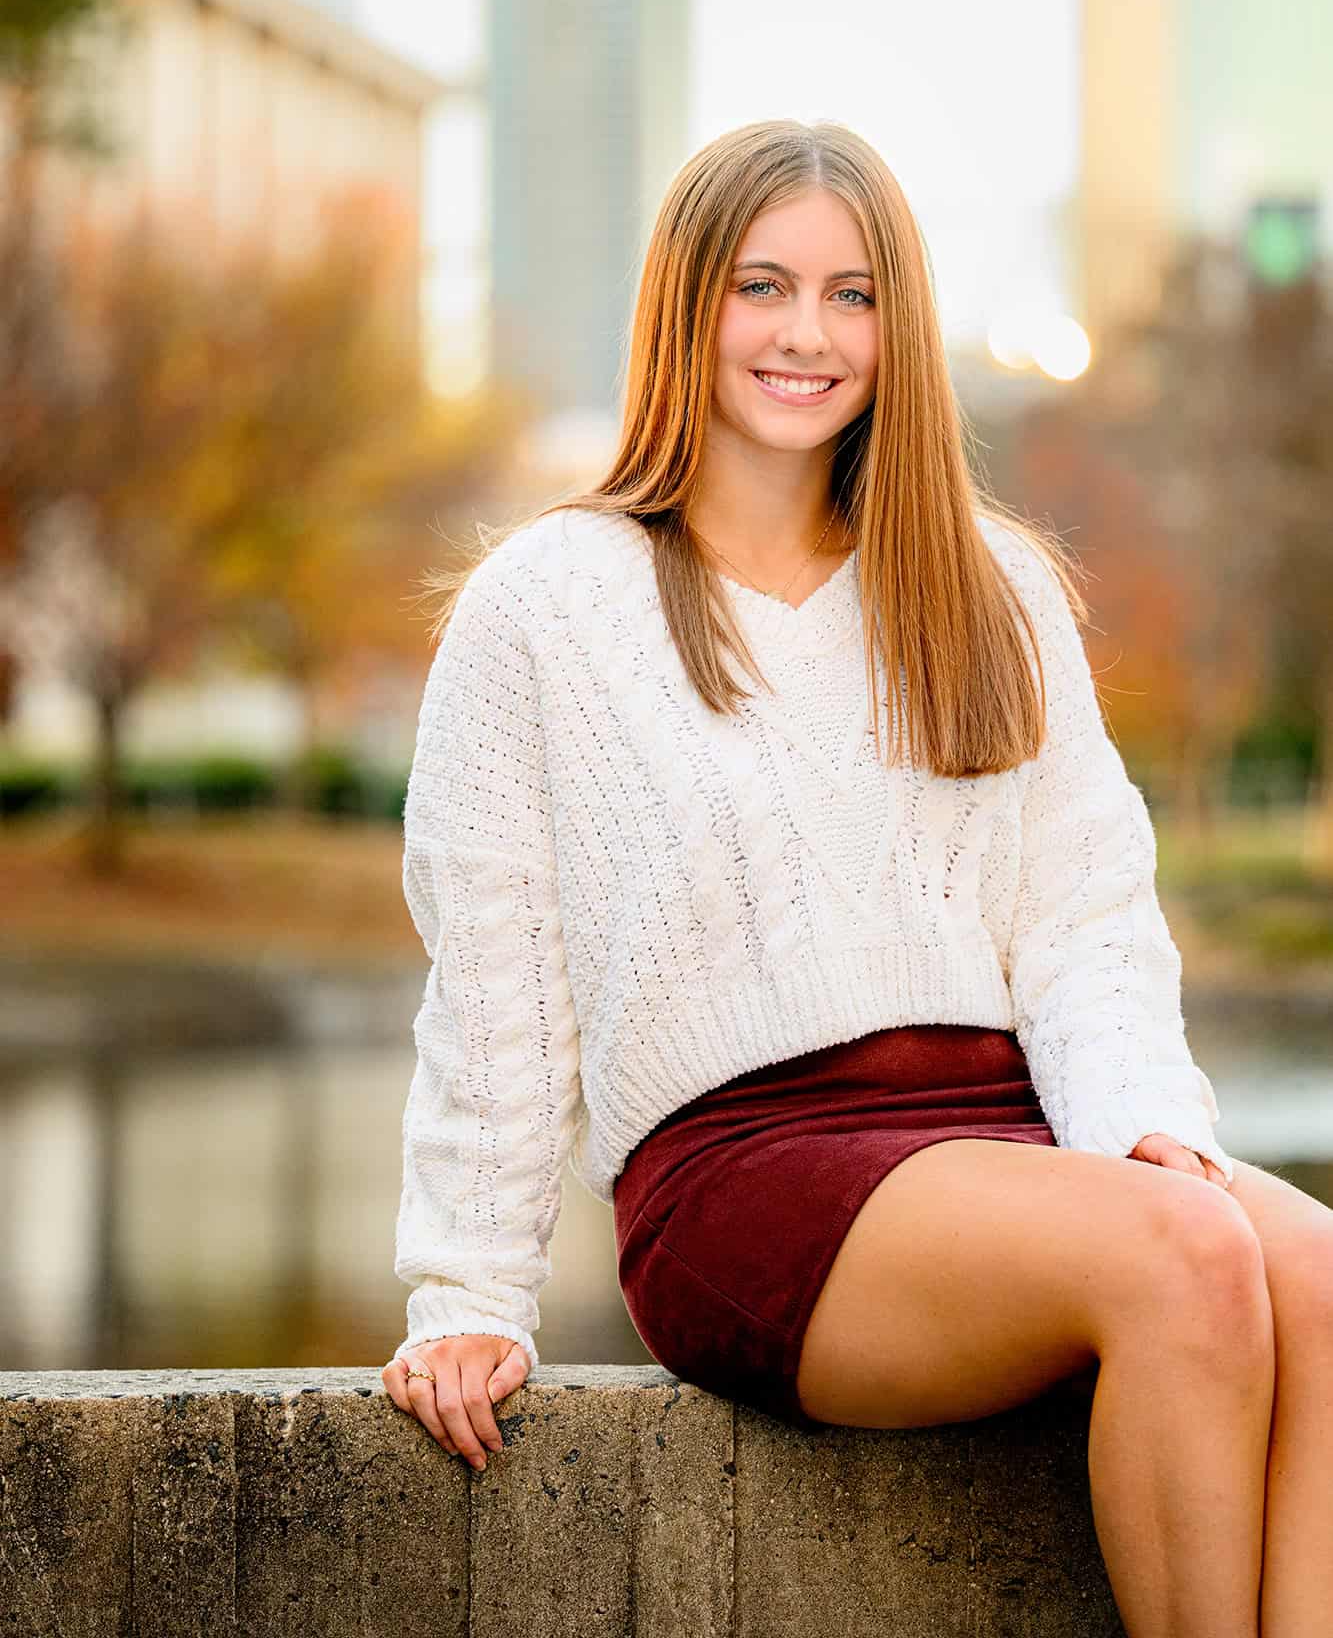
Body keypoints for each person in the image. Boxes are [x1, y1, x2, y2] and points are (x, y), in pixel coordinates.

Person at [382, 118, 1333, 1636]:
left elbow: (1085, 919)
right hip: (745, 1171)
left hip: (1002, 1135)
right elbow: (495, 972)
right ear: (687, 308)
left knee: (1315, 1280)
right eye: (763, 287)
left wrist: (1141, 1124)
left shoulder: (990, 585)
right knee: (1181, 1262)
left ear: (899, 327)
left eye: (851, 294)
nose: (805, 334)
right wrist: (468, 1295)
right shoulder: (548, 605)